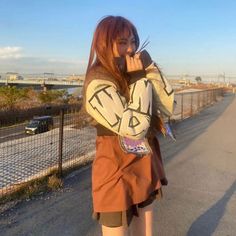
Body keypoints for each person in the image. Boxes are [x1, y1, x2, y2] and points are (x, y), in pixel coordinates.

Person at [83, 15, 174, 236]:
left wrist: (150, 69)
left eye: (133, 41)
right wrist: (138, 80)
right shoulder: (98, 82)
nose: (131, 49)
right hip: (115, 171)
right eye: (122, 42)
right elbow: (134, 128)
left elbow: (167, 107)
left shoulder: (132, 74)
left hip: (144, 164)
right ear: (103, 44)